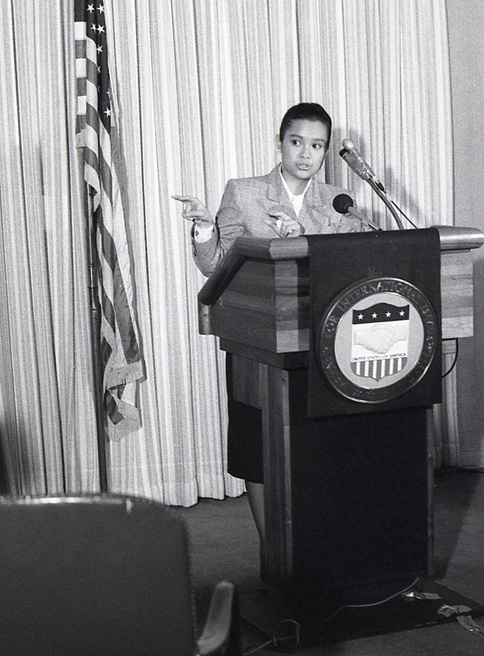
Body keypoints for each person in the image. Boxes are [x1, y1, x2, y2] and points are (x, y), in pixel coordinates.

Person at [172, 102, 366, 546]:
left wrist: (302, 238)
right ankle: (271, 548)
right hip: (254, 340)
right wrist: (205, 230)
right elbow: (216, 266)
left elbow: (343, 271)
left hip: (316, 340)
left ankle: (314, 544)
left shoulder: (338, 205)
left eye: (316, 145)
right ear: (280, 142)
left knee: (314, 447)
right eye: (296, 141)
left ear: (325, 151)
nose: (305, 153)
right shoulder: (243, 192)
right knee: (257, 447)